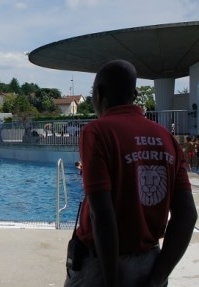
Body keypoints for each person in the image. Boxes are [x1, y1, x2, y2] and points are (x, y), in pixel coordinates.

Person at [64, 60, 197, 287]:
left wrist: (111, 281)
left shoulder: (97, 131)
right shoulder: (167, 138)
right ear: (135, 94)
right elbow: (187, 217)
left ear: (99, 93)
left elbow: (102, 216)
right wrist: (157, 278)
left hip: (101, 267)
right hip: (150, 264)